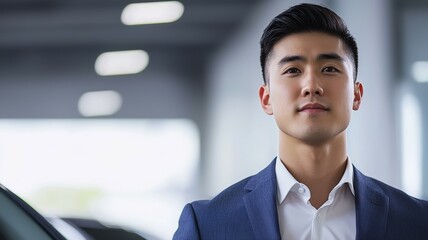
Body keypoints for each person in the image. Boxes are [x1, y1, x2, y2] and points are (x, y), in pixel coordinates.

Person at [173, 3, 428, 239]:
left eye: (329, 69)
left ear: (357, 95)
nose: (311, 86)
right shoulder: (207, 225)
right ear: (266, 99)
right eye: (293, 70)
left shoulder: (417, 221)